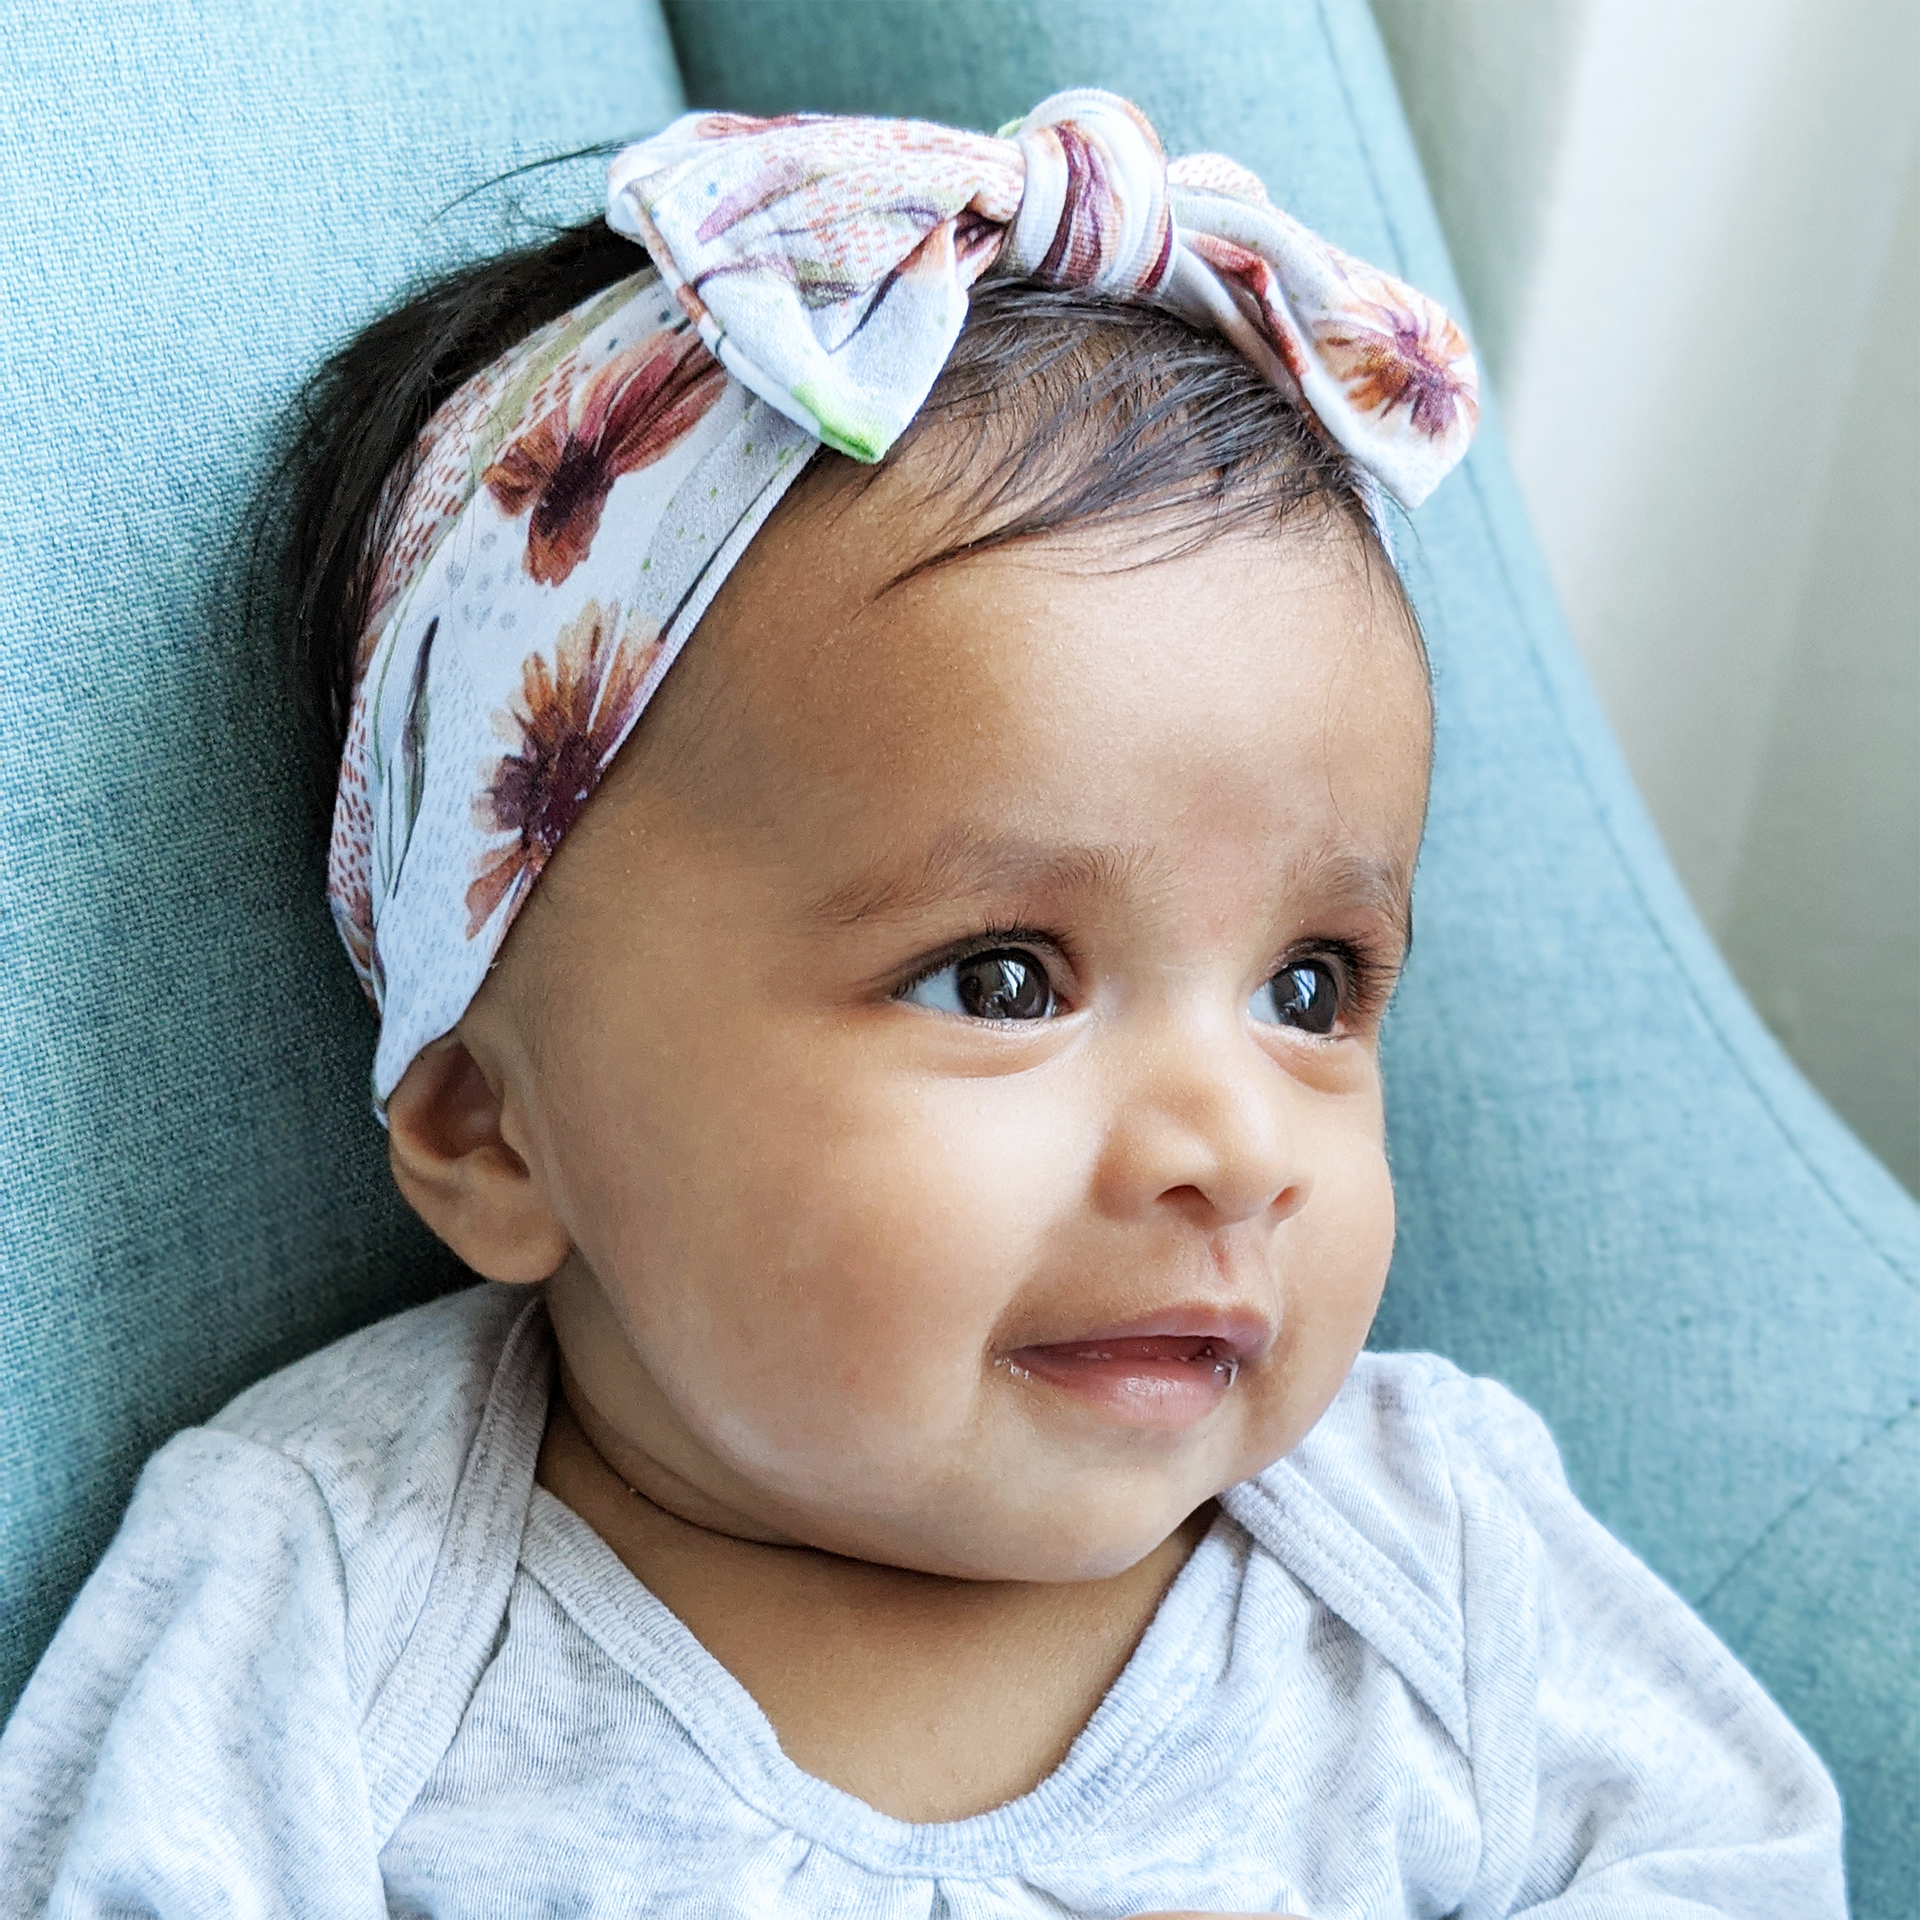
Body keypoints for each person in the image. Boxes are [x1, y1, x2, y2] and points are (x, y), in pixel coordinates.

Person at [0, 90, 1844, 1917]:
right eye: (1004, 978)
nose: (1234, 1147)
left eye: (1311, 985)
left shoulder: (1430, 1551)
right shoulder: (326, 1593)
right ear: (494, 1125)